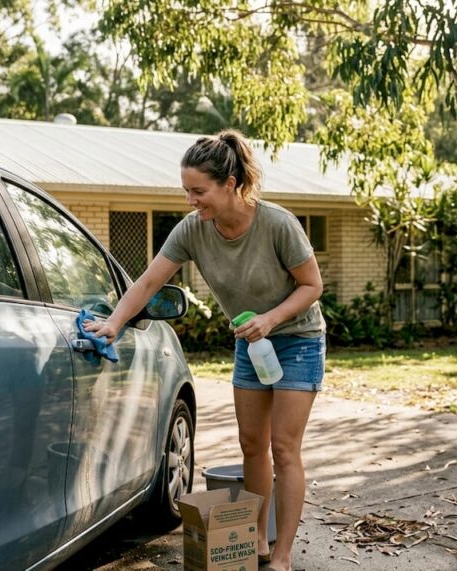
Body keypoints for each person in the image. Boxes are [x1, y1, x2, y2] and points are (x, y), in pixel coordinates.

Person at [84, 129, 325, 571]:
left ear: (230, 184)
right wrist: (115, 323)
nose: (191, 201)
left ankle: (283, 556)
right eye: (186, 191)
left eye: (199, 191)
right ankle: (256, 542)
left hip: (297, 340)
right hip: (250, 344)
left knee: (284, 447)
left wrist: (270, 319)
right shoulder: (193, 230)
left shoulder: (277, 224)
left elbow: (313, 286)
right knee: (252, 445)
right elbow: (150, 281)